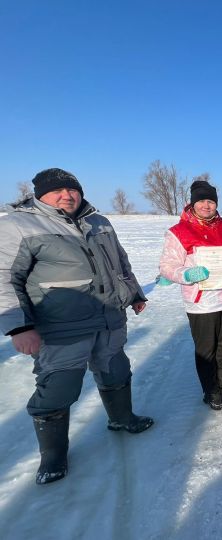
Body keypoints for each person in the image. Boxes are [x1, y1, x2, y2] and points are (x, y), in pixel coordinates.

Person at [0, 168, 153, 485]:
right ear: (40, 195)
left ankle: (122, 418)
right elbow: (4, 278)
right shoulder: (18, 225)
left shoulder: (99, 221)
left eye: (72, 190)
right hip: (60, 326)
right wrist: (18, 327)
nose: (67, 195)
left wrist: (135, 292)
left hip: (109, 316)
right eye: (58, 191)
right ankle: (53, 455)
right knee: (59, 385)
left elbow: (120, 263)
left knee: (115, 369)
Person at [159, 180, 222, 411]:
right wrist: (187, 274)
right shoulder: (179, 232)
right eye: (202, 201)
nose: (207, 206)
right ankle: (211, 390)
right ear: (193, 203)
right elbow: (167, 266)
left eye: (211, 201)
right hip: (202, 303)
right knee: (206, 350)